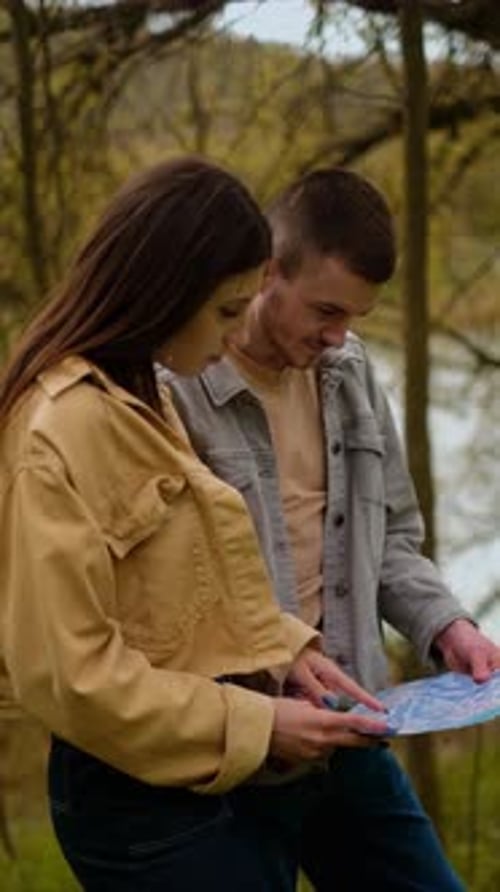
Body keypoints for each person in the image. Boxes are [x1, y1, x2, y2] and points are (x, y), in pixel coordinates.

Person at [0, 157, 392, 892]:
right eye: (221, 310)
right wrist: (260, 726)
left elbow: (187, 585)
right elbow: (72, 680)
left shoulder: (139, 395)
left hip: (203, 769)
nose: (233, 333)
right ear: (166, 291)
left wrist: (285, 653)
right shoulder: (58, 430)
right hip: (131, 796)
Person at [164, 166, 500, 891]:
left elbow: (396, 542)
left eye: (354, 318)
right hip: (233, 759)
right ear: (267, 274)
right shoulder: (175, 390)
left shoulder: (349, 374)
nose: (338, 335)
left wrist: (446, 628)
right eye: (325, 311)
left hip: (354, 732)